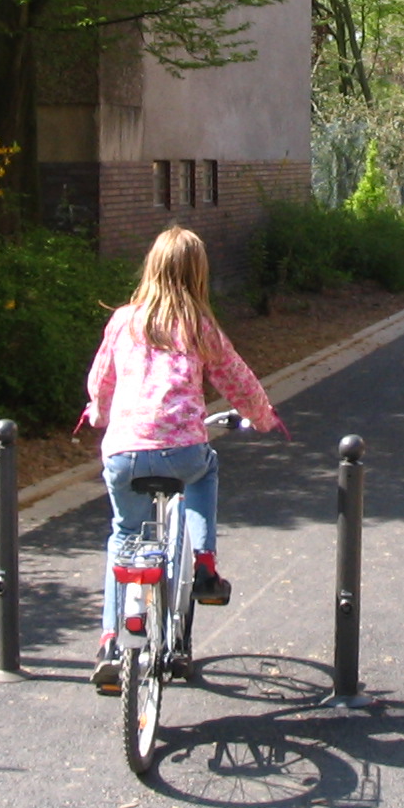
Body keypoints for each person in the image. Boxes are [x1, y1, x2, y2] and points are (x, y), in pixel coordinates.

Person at [78, 226, 285, 693]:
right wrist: (263, 416)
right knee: (205, 469)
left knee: (125, 537)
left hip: (125, 454)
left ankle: (110, 641)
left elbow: (100, 381)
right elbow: (238, 379)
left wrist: (99, 412)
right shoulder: (198, 325)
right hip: (184, 451)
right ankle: (206, 566)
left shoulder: (123, 321)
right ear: (198, 274)